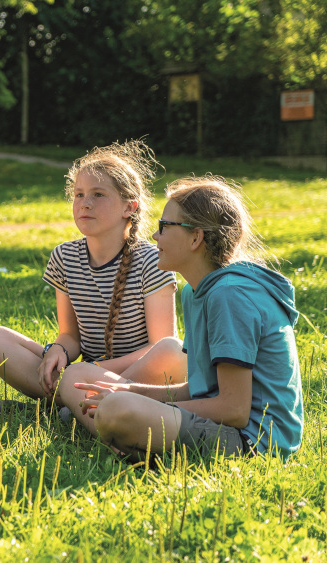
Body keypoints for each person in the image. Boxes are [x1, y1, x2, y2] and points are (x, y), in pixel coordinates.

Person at [63, 176, 304, 460]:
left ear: (195, 237)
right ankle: (124, 438)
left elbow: (234, 410)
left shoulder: (229, 296)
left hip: (252, 443)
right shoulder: (195, 291)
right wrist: (128, 388)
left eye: (164, 227)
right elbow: (201, 388)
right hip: (220, 423)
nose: (155, 236)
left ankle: (122, 437)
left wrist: (135, 403)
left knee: (118, 410)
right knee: (76, 375)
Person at [0, 140, 183, 404]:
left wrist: (94, 371)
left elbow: (161, 347)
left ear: (129, 207)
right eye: (79, 194)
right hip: (83, 374)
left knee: (173, 351)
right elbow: (70, 336)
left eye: (98, 194)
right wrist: (59, 350)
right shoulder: (64, 257)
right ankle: (74, 403)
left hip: (137, 379)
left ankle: (76, 404)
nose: (85, 203)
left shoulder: (152, 261)